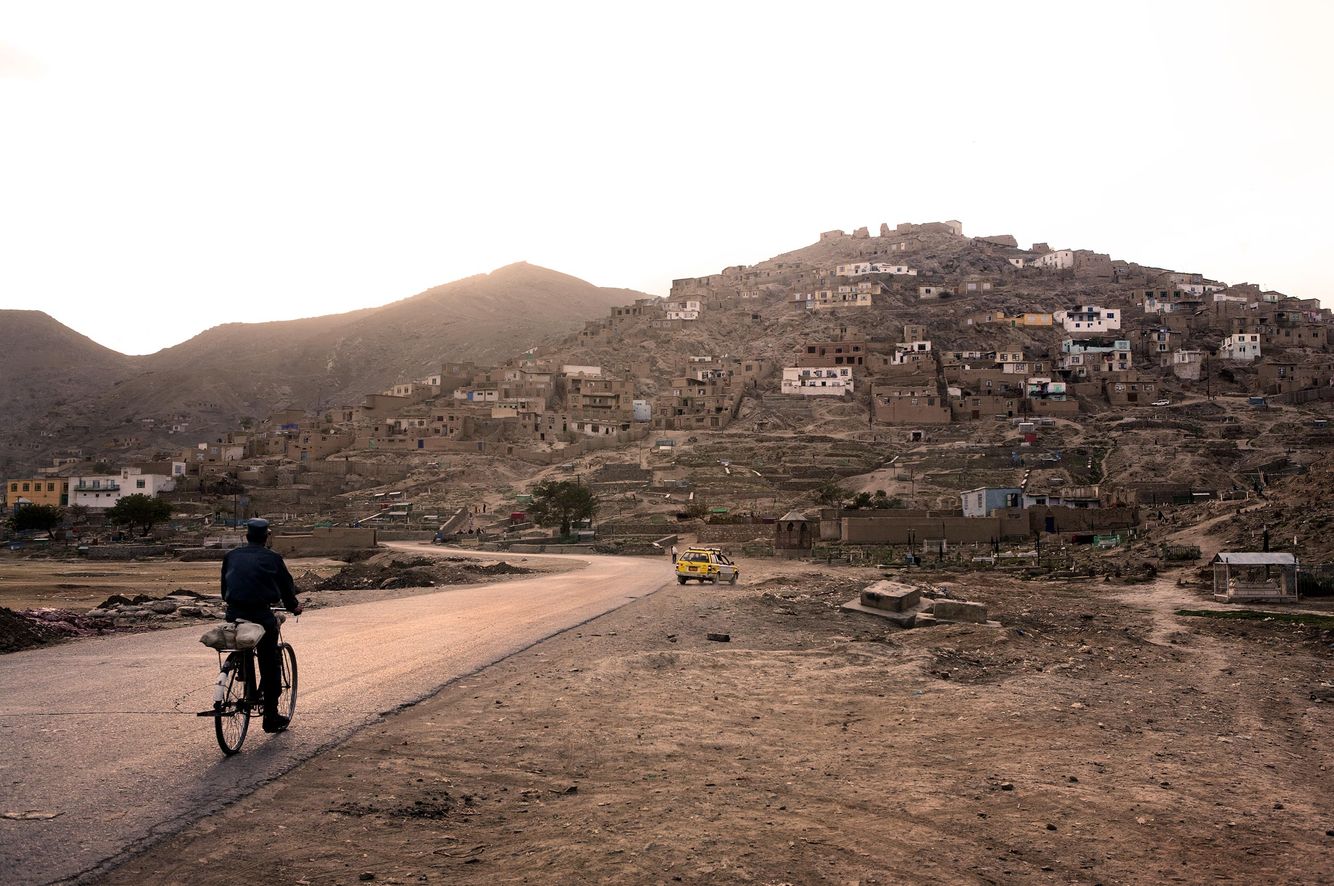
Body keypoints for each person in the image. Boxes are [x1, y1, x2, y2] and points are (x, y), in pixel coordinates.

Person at [221, 518, 302, 733]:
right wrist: (294, 606)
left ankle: (243, 674)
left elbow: (224, 589)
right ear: (266, 537)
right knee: (270, 661)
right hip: (261, 614)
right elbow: (286, 588)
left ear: (247, 537)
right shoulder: (273, 558)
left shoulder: (231, 556)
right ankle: (271, 716)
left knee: (244, 644)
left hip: (235, 613)